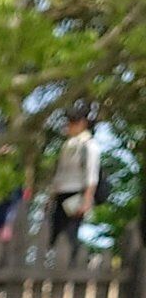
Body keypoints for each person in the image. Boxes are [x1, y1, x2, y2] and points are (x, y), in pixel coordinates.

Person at [49, 103, 101, 249]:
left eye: (73, 122)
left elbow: (92, 175)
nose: (69, 125)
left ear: (82, 124)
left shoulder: (90, 146)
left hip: (76, 194)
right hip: (61, 193)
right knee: (54, 235)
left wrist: (87, 200)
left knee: (69, 236)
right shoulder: (68, 145)